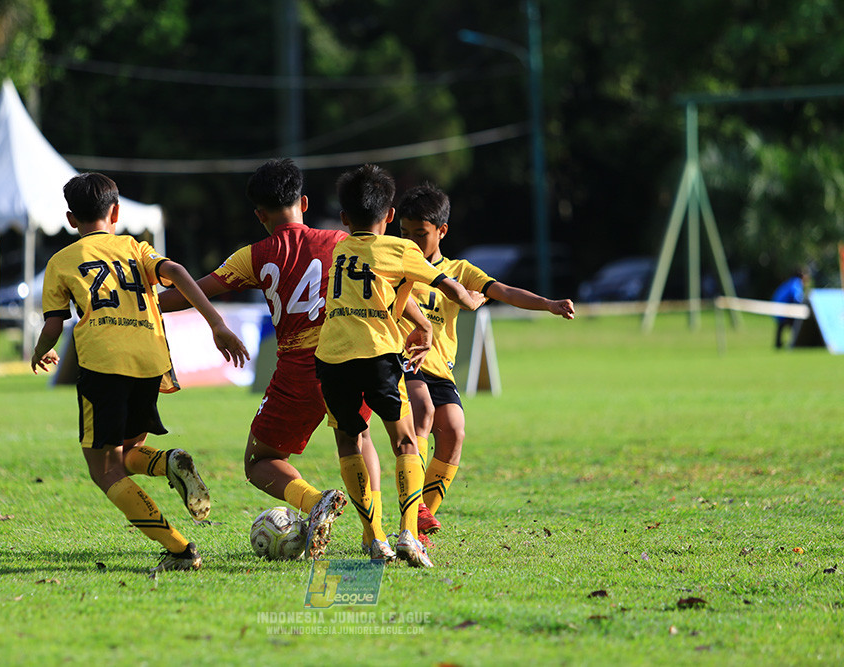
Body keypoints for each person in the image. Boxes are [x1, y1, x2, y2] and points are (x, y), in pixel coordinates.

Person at [156, 158, 382, 559]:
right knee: (358, 439)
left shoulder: (255, 255)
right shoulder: (340, 242)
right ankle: (374, 533)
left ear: (259, 215)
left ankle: (314, 503)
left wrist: (137, 300)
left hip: (298, 371)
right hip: (347, 360)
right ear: (305, 203)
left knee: (260, 460)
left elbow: (192, 293)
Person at [31, 172, 249, 574]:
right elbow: (180, 273)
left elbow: (52, 324)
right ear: (116, 212)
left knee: (104, 469)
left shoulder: (61, 261)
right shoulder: (135, 246)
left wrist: (40, 353)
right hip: (150, 359)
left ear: (69, 219)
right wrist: (216, 323)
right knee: (128, 451)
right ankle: (167, 462)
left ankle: (180, 548)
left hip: (103, 362)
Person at [315, 164, 486, 568]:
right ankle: (409, 534)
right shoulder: (402, 250)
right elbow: (446, 284)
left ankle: (375, 537)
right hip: (378, 354)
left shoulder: (339, 247)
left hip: (332, 357)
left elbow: (380, 287)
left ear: (344, 218)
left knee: (350, 441)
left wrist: (423, 322)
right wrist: (472, 300)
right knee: (406, 441)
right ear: (390, 216)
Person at [395, 183, 575, 546]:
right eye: (404, 233)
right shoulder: (398, 263)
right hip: (405, 360)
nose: (411, 241)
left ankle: (416, 523)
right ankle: (411, 508)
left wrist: (549, 304)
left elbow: (504, 292)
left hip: (440, 368)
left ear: (441, 231)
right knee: (424, 411)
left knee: (455, 431)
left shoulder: (459, 270)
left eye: (420, 234)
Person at [772, 268, 808, 349]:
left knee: (782, 326)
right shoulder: (796, 283)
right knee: (796, 325)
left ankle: (778, 344)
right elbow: (797, 297)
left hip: (777, 308)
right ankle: (795, 343)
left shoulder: (789, 282)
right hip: (784, 310)